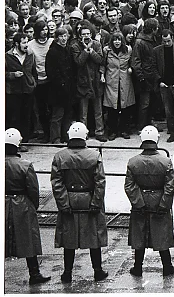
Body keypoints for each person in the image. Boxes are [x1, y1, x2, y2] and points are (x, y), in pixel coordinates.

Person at [50, 122, 109, 283]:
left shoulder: (60, 156)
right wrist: (96, 203)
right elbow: (100, 182)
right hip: (89, 197)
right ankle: (97, 271)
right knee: (94, 236)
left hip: (69, 197)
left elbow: (57, 182)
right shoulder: (94, 155)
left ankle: (67, 272)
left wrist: (63, 203)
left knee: (69, 238)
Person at [124, 125, 174, 277]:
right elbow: (169, 186)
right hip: (158, 198)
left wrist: (138, 202)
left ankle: (137, 267)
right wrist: (164, 204)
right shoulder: (165, 161)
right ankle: (167, 267)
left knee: (139, 234)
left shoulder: (133, 162)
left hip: (140, 198)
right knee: (161, 233)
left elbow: (129, 186)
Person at [5, 128, 51, 285]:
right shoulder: (25, 165)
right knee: (28, 239)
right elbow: (33, 188)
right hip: (21, 203)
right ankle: (34, 273)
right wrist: (34, 205)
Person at [101, 31, 135, 140]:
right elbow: (103, 64)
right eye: (115, 40)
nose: (117, 42)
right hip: (111, 81)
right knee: (112, 108)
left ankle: (124, 130)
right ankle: (113, 131)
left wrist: (131, 68)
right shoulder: (107, 51)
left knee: (125, 107)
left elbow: (132, 62)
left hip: (125, 81)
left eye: (119, 40)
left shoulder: (128, 50)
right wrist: (102, 75)